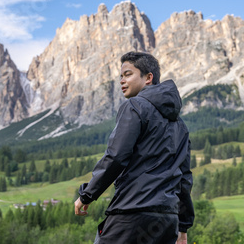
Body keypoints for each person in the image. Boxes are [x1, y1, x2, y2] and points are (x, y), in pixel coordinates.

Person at [74, 51, 194, 244]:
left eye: (128, 74)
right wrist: (183, 227)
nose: (122, 81)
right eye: (121, 76)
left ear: (148, 78)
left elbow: (116, 156)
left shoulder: (135, 106)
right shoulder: (180, 125)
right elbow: (184, 178)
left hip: (131, 214)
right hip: (166, 220)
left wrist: (87, 195)